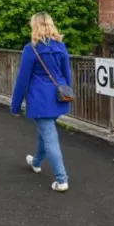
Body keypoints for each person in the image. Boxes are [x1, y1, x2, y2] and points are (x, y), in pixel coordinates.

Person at [10, 12, 71, 193]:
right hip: (58, 95)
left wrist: (15, 105)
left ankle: (61, 179)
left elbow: (23, 79)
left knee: (49, 136)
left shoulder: (31, 48)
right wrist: (67, 93)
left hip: (40, 98)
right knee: (45, 131)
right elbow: (67, 74)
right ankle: (36, 162)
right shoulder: (60, 46)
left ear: (34, 26)